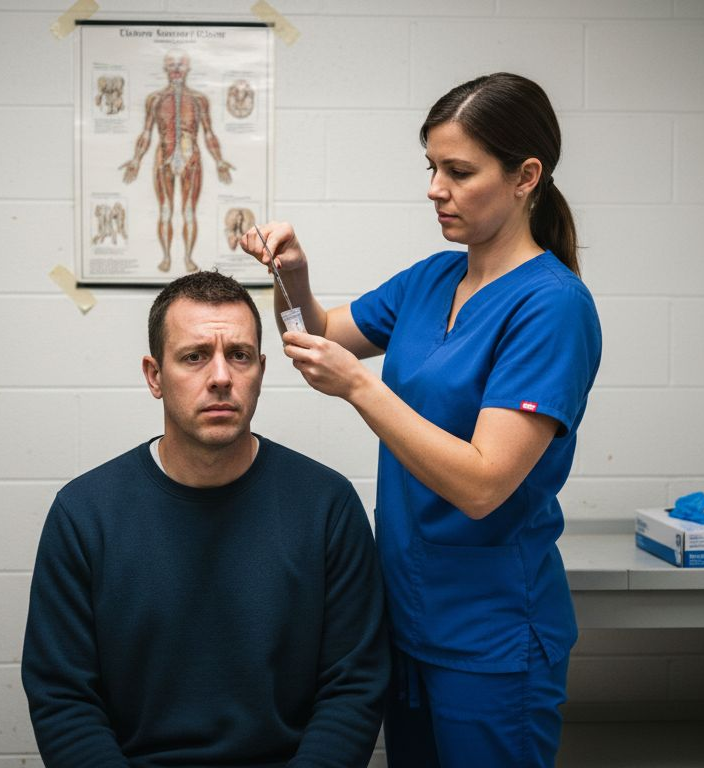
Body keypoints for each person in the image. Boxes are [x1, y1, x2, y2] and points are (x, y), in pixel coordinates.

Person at [241, 73, 602, 767]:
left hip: (491, 636)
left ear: (527, 176)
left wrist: (360, 390)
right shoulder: (433, 278)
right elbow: (320, 333)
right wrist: (290, 277)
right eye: (432, 167)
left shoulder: (551, 307)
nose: (435, 188)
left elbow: (483, 484)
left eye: (459, 171)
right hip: (408, 621)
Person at [21, 270, 389, 767]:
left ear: (260, 370)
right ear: (154, 376)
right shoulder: (84, 515)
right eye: (194, 357)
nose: (220, 377)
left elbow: (355, 688)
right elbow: (63, 700)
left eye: (238, 356)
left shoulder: (326, 506)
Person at [120, 50, 235, 274]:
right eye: (171, 65)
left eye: (180, 65)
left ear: (187, 68)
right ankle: (166, 257)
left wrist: (219, 160)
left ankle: (188, 258)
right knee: (165, 210)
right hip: (164, 157)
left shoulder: (199, 100)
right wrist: (136, 159)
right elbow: (146, 133)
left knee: (189, 210)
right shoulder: (154, 99)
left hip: (191, 157)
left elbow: (209, 133)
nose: (176, 70)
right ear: (165, 69)